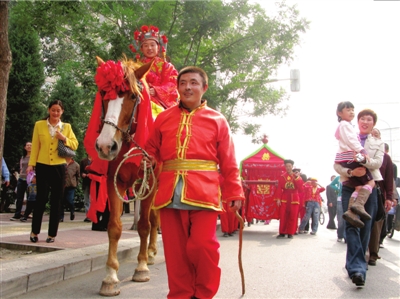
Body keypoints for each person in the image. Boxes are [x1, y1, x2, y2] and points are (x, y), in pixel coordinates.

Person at [141, 66, 245, 299]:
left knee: (202, 246)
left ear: (204, 87)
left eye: (194, 83)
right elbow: (151, 150)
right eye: (183, 83)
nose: (188, 87)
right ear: (177, 88)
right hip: (169, 192)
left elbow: (229, 160)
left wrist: (234, 192)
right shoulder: (163, 119)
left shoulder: (218, 120)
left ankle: (203, 294)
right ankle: (180, 295)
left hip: (204, 193)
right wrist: (147, 159)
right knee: (175, 253)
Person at [334, 108, 384, 287]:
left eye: (369, 119)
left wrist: (362, 160)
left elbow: (377, 163)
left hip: (369, 190)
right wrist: (350, 171)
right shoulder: (347, 136)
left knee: (364, 227)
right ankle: (358, 269)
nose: (365, 121)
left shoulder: (378, 143)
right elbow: (337, 164)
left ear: (373, 124)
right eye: (362, 118)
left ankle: (355, 264)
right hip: (349, 186)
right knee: (351, 224)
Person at [26, 100, 78, 244]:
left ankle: (52, 234)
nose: (55, 113)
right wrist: (31, 164)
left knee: (57, 201)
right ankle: (34, 231)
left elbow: (75, 144)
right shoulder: (39, 125)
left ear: (62, 112)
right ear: (49, 110)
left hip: (59, 166)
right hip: (42, 165)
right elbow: (35, 145)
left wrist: (64, 138)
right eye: (53, 110)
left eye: (58, 111)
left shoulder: (66, 127)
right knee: (40, 199)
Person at [335, 101, 375, 228]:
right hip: (350, 158)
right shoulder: (345, 125)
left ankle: (351, 212)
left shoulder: (344, 125)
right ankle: (357, 205)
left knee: (358, 187)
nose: (351, 112)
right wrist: (362, 150)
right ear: (340, 113)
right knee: (370, 182)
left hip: (346, 158)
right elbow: (351, 141)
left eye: (353, 109)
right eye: (348, 110)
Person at [130, 25, 179, 118]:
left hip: (160, 102)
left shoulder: (166, 66)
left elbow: (173, 84)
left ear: (158, 47)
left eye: (152, 45)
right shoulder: (135, 67)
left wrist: (156, 90)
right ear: (141, 49)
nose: (149, 48)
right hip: (139, 100)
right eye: (146, 45)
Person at [367, 136, 394, 266]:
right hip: (361, 192)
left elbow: (389, 179)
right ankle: (358, 252)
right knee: (360, 222)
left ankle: (373, 253)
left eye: (377, 135)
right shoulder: (360, 152)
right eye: (371, 135)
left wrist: (389, 197)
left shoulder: (386, 159)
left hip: (378, 194)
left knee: (376, 224)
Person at [275, 159, 303, 239]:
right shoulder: (282, 176)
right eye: (286, 166)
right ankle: (282, 232)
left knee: (293, 216)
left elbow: (301, 189)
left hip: (294, 198)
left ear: (292, 167)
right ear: (285, 167)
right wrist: (278, 199)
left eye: (289, 166)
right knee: (283, 216)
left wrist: (297, 178)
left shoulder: (297, 177)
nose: (288, 168)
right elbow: (279, 188)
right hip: (284, 198)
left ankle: (291, 232)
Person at [10, 142, 32, 221]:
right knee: (19, 197)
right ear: (25, 147)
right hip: (21, 178)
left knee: (30, 197)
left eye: (30, 145)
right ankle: (17, 214)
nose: (29, 147)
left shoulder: (34, 157)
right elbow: (20, 167)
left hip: (30, 179)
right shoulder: (23, 157)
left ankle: (26, 214)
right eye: (27, 145)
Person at [60, 156, 80, 222]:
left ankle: (72, 211)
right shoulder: (61, 163)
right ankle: (61, 217)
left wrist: (76, 183)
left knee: (70, 200)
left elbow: (78, 175)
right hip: (62, 185)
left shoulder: (76, 165)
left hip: (71, 185)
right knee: (61, 201)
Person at [330, 175, 345, 242]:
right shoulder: (338, 177)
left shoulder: (351, 176)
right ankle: (340, 235)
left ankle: (346, 236)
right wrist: (338, 190)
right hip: (340, 199)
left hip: (350, 199)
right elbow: (332, 185)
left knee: (348, 219)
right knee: (340, 219)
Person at [80, 154, 92, 222]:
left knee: (92, 200)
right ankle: (88, 216)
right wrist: (82, 174)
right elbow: (80, 171)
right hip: (86, 183)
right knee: (86, 200)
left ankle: (93, 215)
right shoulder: (83, 161)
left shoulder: (95, 160)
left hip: (93, 182)